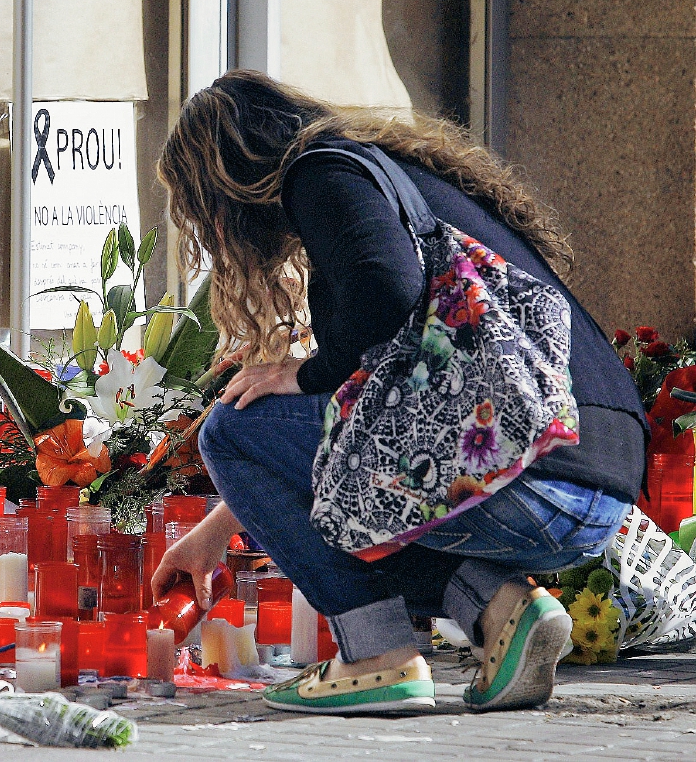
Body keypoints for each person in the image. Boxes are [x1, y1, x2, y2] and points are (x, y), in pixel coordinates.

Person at [151, 70, 647, 714]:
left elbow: (384, 290)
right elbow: (379, 417)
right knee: (350, 476)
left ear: (227, 184)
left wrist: (300, 373)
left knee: (231, 429)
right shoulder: (394, 182)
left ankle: (376, 655)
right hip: (591, 488)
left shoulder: (322, 175)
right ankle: (505, 610)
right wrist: (218, 530)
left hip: (534, 480)